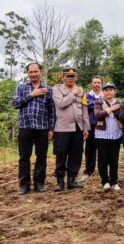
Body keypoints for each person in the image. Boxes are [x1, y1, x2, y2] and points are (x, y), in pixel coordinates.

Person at [12, 62, 55, 194]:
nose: (33, 74)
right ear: (28, 74)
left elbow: (52, 111)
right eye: (31, 72)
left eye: (36, 71)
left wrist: (51, 128)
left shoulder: (48, 90)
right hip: (25, 127)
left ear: (40, 72)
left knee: (41, 156)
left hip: (42, 128)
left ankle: (39, 183)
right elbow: (15, 104)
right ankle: (24, 184)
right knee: (24, 157)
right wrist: (32, 94)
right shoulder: (21, 88)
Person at [52, 67, 90, 191]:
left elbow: (84, 109)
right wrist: (72, 94)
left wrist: (86, 127)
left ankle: (72, 180)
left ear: (76, 77)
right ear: (63, 77)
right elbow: (61, 104)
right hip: (62, 128)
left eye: (72, 76)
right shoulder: (57, 89)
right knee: (61, 155)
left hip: (78, 128)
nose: (70, 78)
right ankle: (60, 181)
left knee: (76, 155)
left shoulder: (81, 90)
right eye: (68, 76)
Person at [94, 83, 122, 190]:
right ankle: (105, 181)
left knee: (114, 160)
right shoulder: (99, 102)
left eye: (111, 90)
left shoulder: (119, 103)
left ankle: (114, 182)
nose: (108, 92)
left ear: (114, 91)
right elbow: (98, 115)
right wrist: (110, 109)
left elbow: (122, 116)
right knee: (102, 160)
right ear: (103, 92)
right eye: (106, 90)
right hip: (102, 136)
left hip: (116, 135)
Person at [81, 76, 103, 181]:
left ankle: (103, 170)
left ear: (101, 84)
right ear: (91, 84)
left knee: (103, 148)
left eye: (98, 82)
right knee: (90, 149)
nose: (96, 84)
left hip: (104, 125)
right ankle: (89, 171)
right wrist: (100, 104)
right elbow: (88, 106)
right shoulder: (87, 95)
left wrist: (95, 104)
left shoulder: (105, 95)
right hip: (91, 125)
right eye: (94, 82)